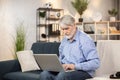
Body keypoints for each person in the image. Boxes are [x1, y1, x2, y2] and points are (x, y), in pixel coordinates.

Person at [39, 15, 100, 80]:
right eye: (62, 29)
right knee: (44, 74)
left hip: (83, 71)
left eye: (67, 28)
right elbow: (61, 58)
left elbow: (95, 63)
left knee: (62, 76)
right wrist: (56, 66)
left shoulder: (85, 39)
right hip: (66, 70)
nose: (64, 32)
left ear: (74, 25)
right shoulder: (64, 40)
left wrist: (74, 66)